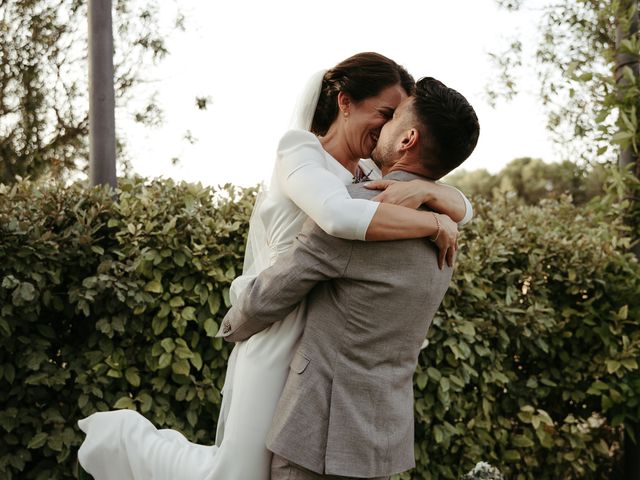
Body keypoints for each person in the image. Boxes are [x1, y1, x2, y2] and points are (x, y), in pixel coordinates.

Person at [77, 53, 473, 480]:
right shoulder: (300, 149)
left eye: (395, 117)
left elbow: (448, 195)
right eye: (384, 112)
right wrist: (436, 220)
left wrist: (452, 204)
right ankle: (120, 436)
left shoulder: (371, 173)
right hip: (278, 329)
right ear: (344, 102)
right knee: (236, 474)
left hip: (319, 342)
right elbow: (337, 217)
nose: (386, 124)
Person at [220, 76, 480, 480]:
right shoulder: (447, 225)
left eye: (393, 117)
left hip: (316, 439)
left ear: (408, 139)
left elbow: (265, 300)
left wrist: (233, 326)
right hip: (385, 440)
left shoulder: (357, 210)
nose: (383, 125)